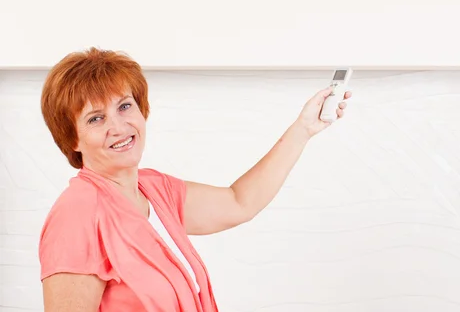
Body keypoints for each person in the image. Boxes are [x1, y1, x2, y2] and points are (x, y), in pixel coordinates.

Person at [38, 47, 351, 311]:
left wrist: (304, 128)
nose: (118, 127)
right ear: (73, 139)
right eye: (96, 118)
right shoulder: (77, 214)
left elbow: (239, 202)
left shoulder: (154, 190)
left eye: (124, 106)